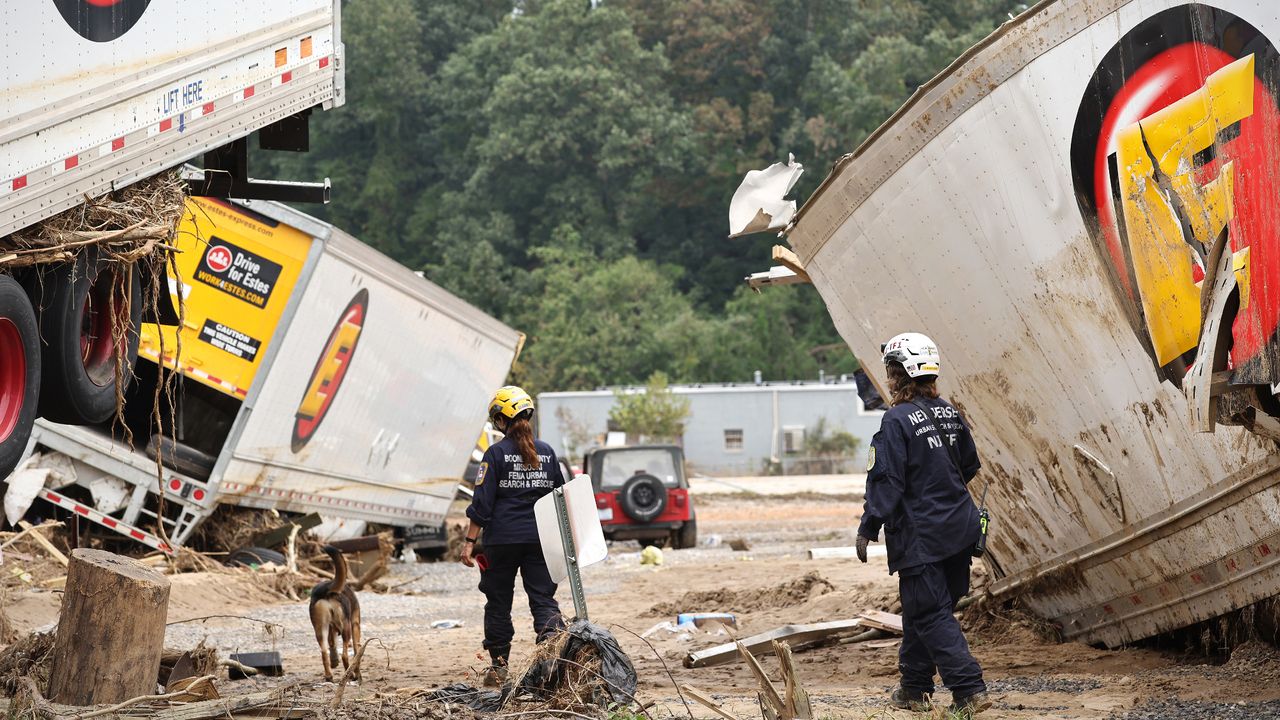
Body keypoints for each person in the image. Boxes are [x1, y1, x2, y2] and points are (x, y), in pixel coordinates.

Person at [855, 332, 990, 716]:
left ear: (902, 374)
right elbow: (968, 466)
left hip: (923, 538)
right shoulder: (949, 411)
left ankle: (969, 690)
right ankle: (914, 688)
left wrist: (868, 527)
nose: (888, 377)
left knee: (930, 614)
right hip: (960, 531)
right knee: (923, 611)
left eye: (891, 370)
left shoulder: (896, 420)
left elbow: (887, 481)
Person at [461, 385, 567, 686]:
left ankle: (498, 669)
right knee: (544, 601)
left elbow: (481, 503)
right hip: (540, 541)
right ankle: (551, 664)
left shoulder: (495, 454)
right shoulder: (547, 453)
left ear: (502, 419)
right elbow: (560, 497)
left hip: (501, 542)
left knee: (498, 603)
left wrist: (469, 543)